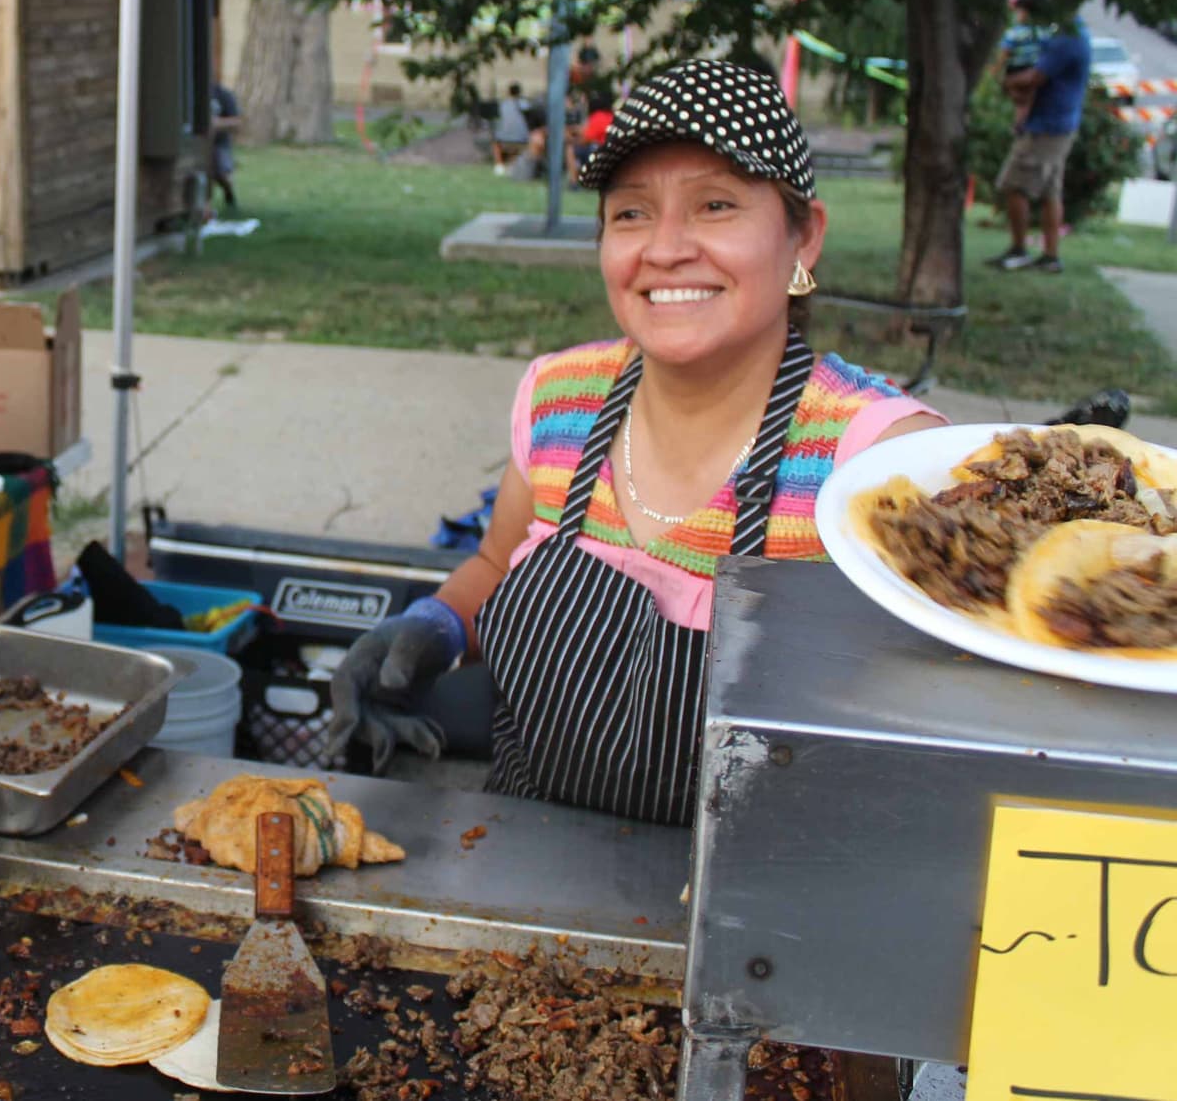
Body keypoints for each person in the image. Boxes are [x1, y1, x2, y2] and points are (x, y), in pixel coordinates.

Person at [324, 60, 944, 825]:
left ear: (803, 239)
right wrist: (437, 626)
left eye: (715, 206)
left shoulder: (877, 465)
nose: (666, 248)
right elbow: (496, 561)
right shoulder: (560, 402)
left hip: (755, 924)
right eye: (631, 214)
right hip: (520, 884)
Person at [988, 0, 1091, 275]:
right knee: (1049, 192)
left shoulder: (1067, 39)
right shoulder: (1071, 34)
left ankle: (1019, 249)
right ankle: (1050, 255)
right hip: (1058, 123)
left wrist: (1004, 80)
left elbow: (1034, 77)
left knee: (1014, 185)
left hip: (1047, 125)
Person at [998, 0, 1056, 130]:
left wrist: (996, 70)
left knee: (1017, 97)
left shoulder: (1014, 33)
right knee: (1027, 100)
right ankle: (1022, 123)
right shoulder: (1044, 32)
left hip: (1015, 69)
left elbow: (1005, 53)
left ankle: (1017, 124)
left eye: (1019, 12)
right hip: (1034, 69)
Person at [210, 82, 242, 211]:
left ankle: (229, 193)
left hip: (219, 143)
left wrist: (217, 123)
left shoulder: (223, 94)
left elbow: (237, 121)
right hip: (199, 142)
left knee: (221, 172)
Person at [491, 83, 530, 175]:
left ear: (509, 92)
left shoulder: (503, 104)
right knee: (515, 148)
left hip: (504, 139)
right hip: (522, 139)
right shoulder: (525, 104)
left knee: (495, 143)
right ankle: (512, 166)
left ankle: (499, 165)